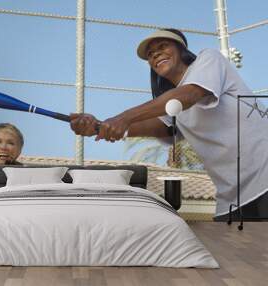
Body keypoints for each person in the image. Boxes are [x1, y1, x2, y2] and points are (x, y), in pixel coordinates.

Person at [70, 28, 268, 220]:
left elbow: (188, 95)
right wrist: (97, 126)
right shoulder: (170, 108)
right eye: (150, 54)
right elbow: (149, 126)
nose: (155, 54)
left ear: (181, 50)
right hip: (232, 199)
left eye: (163, 46)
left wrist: (123, 118)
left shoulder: (208, 59)